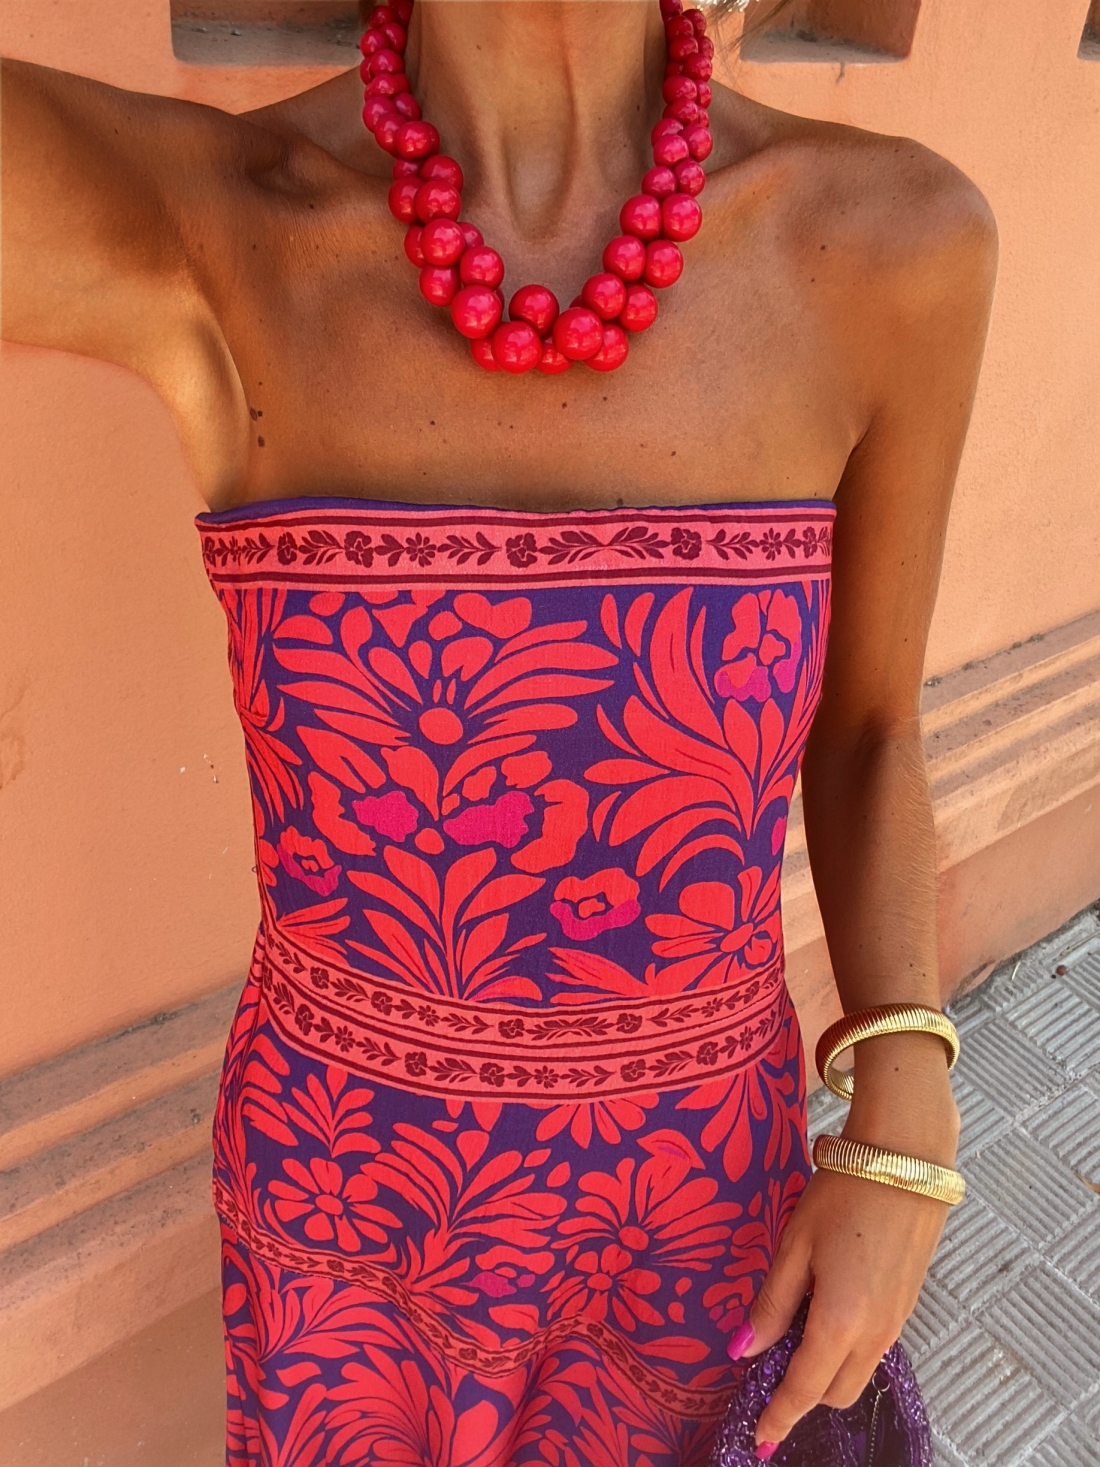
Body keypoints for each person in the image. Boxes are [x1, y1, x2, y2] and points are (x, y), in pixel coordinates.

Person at [1, 0, 996, 1461]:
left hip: (699, 1208)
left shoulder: (895, 244)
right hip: (338, 1218)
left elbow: (865, 732)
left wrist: (902, 1114)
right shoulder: (209, 226)